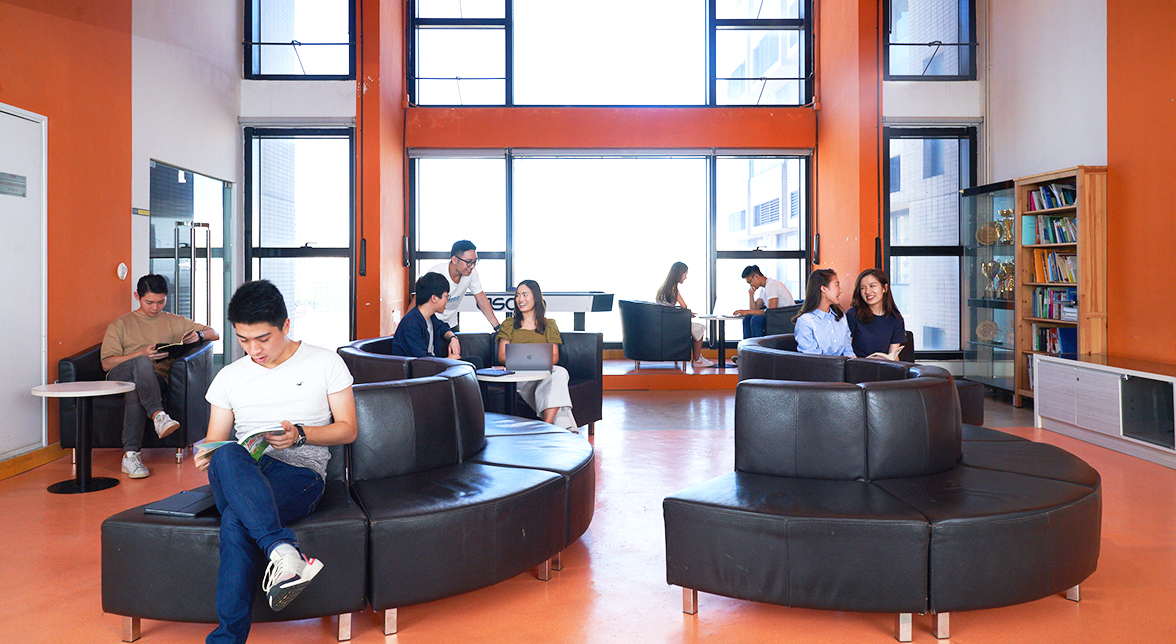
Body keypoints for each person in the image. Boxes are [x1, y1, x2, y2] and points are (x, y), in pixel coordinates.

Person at [195, 279, 357, 644]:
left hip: (299, 473)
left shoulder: (326, 362)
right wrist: (207, 454)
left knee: (237, 521)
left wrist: (302, 434)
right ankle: (285, 552)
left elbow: (348, 430)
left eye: (263, 339)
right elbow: (215, 440)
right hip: (243, 471)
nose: (254, 350)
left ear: (285, 325)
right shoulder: (228, 377)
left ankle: (227, 639)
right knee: (228, 452)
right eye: (243, 340)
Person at [100, 274, 220, 479]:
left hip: (153, 380)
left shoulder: (174, 321)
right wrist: (140, 355)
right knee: (142, 363)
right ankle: (158, 415)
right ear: (137, 296)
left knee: (136, 390)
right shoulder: (120, 324)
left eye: (161, 301)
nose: (155, 308)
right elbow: (106, 363)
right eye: (149, 302)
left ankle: (130, 456)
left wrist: (199, 335)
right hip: (119, 375)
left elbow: (214, 333)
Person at [495, 279, 578, 432]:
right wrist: (521, 363)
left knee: (560, 373)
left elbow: (554, 357)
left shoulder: (549, 325)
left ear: (536, 297)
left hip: (542, 376)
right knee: (557, 383)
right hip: (519, 378)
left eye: (525, 295)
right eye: (518, 295)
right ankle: (562, 430)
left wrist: (538, 365)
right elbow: (501, 355)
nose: (520, 299)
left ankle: (546, 426)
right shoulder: (509, 324)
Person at [427, 239, 501, 330]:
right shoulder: (437, 273)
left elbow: (481, 300)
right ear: (454, 260)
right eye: (469, 262)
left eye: (474, 262)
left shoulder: (471, 273)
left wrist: (497, 327)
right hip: (430, 324)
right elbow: (418, 301)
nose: (472, 266)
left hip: (451, 324)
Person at [389, 272, 463, 359]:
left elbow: (443, 327)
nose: (447, 301)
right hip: (423, 370)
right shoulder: (411, 324)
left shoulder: (430, 318)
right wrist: (449, 360)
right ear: (434, 298)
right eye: (446, 296)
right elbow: (422, 361)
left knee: (475, 361)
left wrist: (453, 338)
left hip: (434, 366)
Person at [655, 262, 714, 368]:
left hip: (663, 323)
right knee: (700, 329)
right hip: (670, 326)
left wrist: (685, 313)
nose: (685, 277)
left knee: (694, 330)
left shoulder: (663, 288)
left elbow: (668, 308)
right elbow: (684, 306)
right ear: (679, 274)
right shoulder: (673, 289)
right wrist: (687, 313)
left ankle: (698, 357)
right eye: (685, 274)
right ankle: (697, 360)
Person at [792, 268, 855, 357]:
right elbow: (813, 360)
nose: (840, 290)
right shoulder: (805, 322)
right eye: (837, 285)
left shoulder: (840, 316)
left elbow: (848, 351)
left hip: (842, 368)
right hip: (822, 369)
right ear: (823, 289)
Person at [847, 268, 906, 361]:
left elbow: (893, 356)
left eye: (872, 286)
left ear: (884, 288)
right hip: (857, 369)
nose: (867, 291)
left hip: (884, 370)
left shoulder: (895, 319)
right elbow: (846, 351)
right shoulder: (852, 315)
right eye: (862, 288)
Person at [733, 265, 794, 339]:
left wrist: (747, 311)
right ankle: (748, 347)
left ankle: (758, 348)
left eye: (750, 282)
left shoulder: (771, 285)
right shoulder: (763, 289)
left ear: (756, 276)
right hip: (776, 316)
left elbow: (771, 312)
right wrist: (751, 296)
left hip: (784, 317)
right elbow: (755, 309)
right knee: (747, 318)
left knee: (756, 320)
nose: (750, 285)